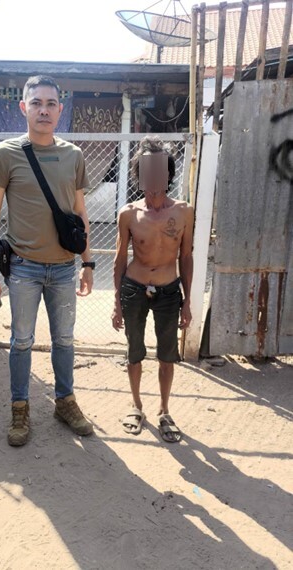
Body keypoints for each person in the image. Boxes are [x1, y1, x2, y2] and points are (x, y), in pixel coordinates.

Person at [0, 75, 95, 446]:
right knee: (21, 341)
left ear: (60, 110)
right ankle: (20, 407)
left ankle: (65, 401)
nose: (43, 110)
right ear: (23, 108)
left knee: (65, 340)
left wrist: (88, 263)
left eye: (50, 104)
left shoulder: (73, 155)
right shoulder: (6, 154)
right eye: (36, 103)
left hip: (63, 268)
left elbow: (80, 212)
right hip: (24, 268)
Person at [112, 137, 194, 442]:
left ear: (168, 174)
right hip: (134, 288)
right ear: (139, 174)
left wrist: (187, 301)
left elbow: (186, 257)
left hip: (169, 292)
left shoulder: (183, 212)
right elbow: (120, 259)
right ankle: (136, 406)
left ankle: (164, 410)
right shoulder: (129, 213)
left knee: (167, 354)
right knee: (134, 351)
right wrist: (117, 301)